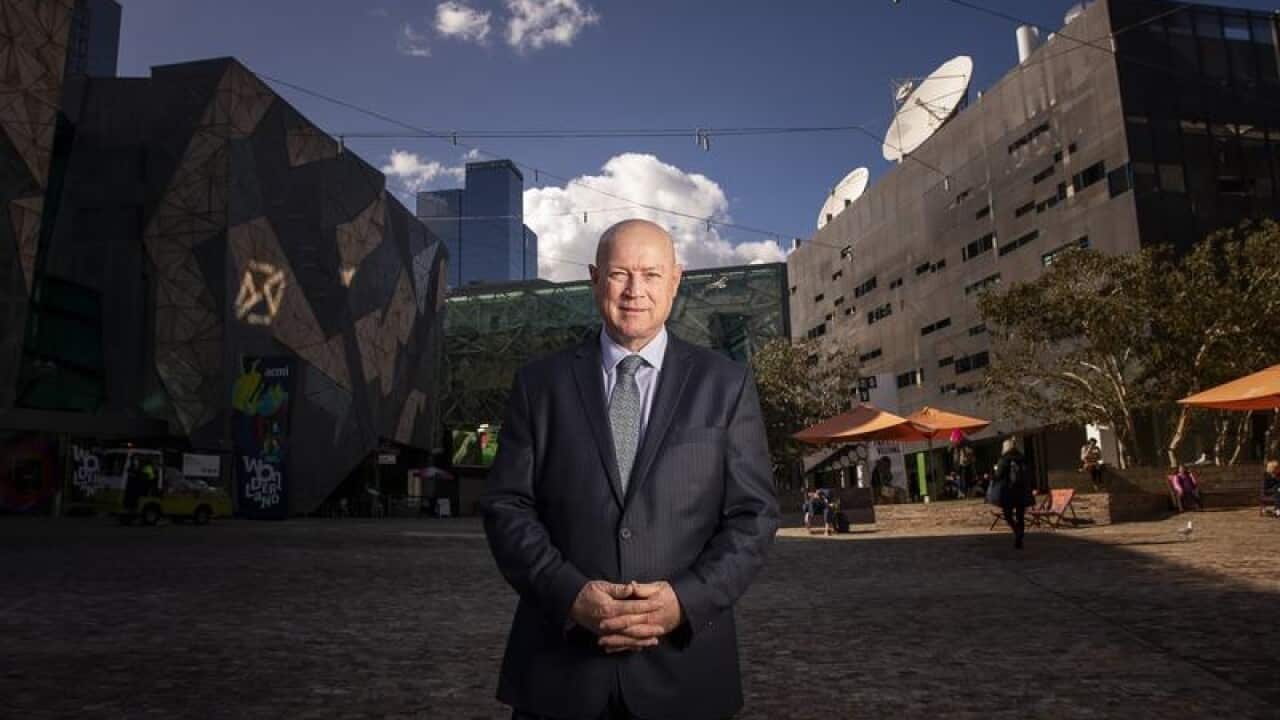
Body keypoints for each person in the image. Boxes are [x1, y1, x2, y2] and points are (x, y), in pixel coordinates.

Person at [480, 219, 780, 720]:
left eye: (651, 274)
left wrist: (684, 602)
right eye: (620, 274)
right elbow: (507, 506)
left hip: (686, 672)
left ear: (676, 280)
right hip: (560, 673)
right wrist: (570, 595)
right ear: (595, 278)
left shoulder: (725, 385)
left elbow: (753, 516)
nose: (635, 291)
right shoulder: (540, 385)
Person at [994, 437, 1036, 549]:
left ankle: (1017, 531)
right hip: (1022, 491)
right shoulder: (1023, 458)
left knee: (1008, 515)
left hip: (1008, 492)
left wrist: (994, 472)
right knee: (1020, 516)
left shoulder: (1004, 459)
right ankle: (1019, 540)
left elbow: (998, 476)